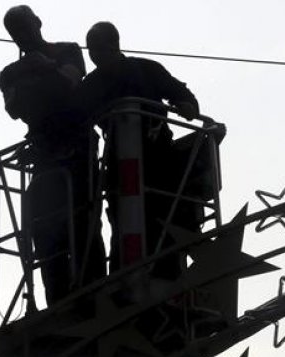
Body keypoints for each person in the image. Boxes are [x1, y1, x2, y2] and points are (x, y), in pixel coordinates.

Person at [77, 21, 203, 280]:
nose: (93, 55)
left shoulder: (146, 70)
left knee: (163, 221)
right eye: (90, 49)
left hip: (159, 160)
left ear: (114, 45)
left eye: (97, 48)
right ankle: (126, 280)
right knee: (124, 225)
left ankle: (169, 278)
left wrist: (187, 105)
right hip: (119, 166)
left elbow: (183, 95)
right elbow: (75, 117)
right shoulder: (92, 85)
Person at [0, 5, 105, 305]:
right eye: (14, 31)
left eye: (24, 26)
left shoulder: (68, 50)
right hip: (45, 157)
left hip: (78, 150)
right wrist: (48, 77)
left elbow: (68, 84)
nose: (21, 35)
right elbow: (17, 109)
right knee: (44, 226)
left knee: (84, 220)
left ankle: (93, 292)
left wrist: (40, 71)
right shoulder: (9, 73)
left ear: (37, 23)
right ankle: (59, 301)